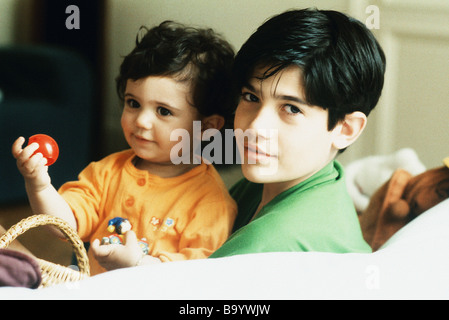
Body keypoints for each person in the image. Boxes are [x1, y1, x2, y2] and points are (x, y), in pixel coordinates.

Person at [11, 21, 237, 275]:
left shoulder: (211, 202)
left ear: (206, 127)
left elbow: (197, 276)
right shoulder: (107, 172)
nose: (141, 120)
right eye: (133, 103)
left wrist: (138, 265)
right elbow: (63, 225)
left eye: (163, 111)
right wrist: (39, 184)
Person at [210, 8, 386, 258]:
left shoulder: (269, 243)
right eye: (251, 97)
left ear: (346, 129)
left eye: (291, 108)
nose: (255, 127)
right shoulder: (302, 180)